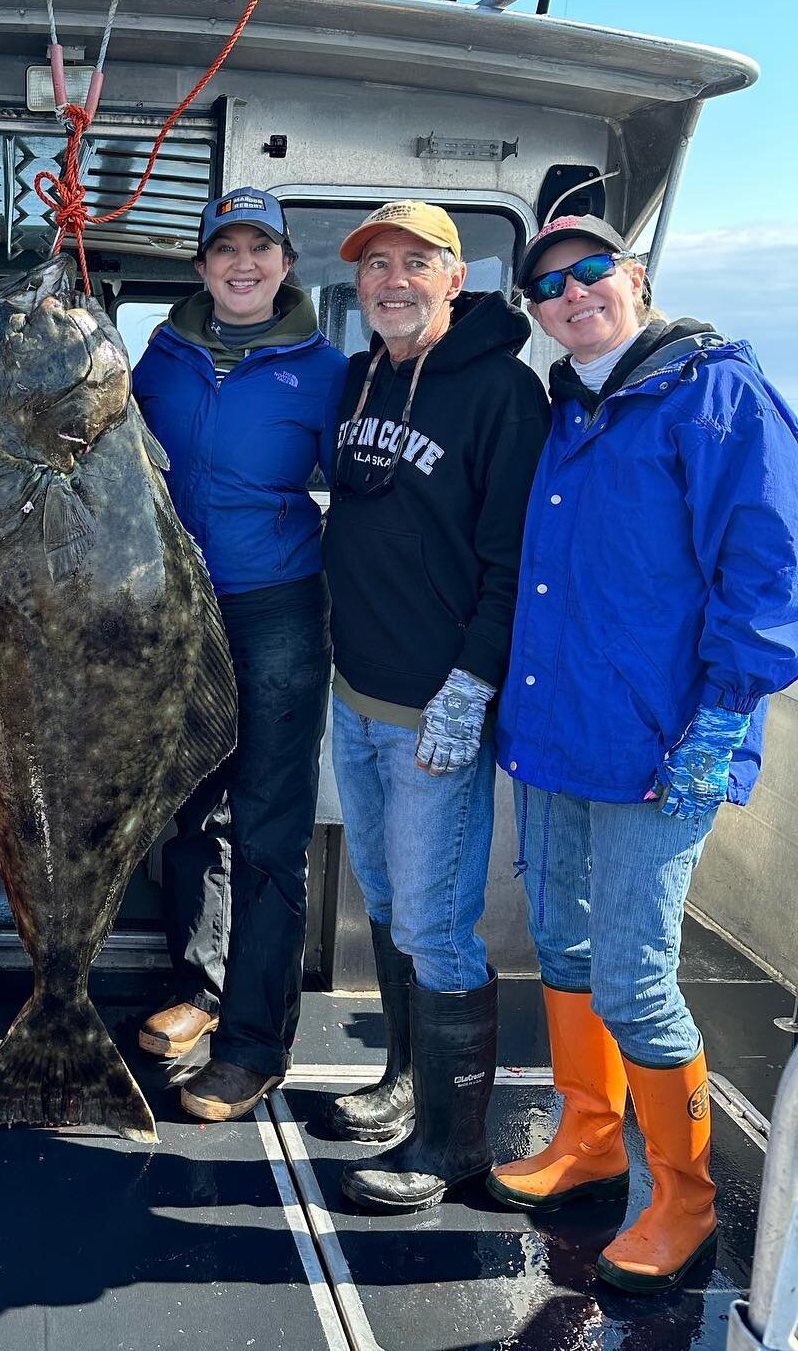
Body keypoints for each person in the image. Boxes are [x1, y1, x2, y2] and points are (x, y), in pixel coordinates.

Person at [489, 214, 798, 1293]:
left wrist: (723, 716)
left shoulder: (717, 393)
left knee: (634, 976)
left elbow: (769, 571)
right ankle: (588, 1135)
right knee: (564, 949)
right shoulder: (570, 405)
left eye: (590, 274)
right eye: (548, 288)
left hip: (661, 749)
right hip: (559, 730)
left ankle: (687, 1199)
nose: (572, 295)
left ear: (637, 276)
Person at [319, 199, 549, 1211]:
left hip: (435, 711)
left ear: (458, 276)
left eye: (418, 262)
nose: (394, 280)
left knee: (440, 925)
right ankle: (402, 1080)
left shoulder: (504, 392)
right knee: (388, 901)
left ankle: (450, 1142)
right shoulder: (360, 374)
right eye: (377, 265)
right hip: (356, 695)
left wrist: (471, 685)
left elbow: (514, 561)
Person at [131, 187, 347, 1121]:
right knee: (186, 808)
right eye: (227, 250)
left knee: (267, 828)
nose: (243, 265)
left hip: (278, 611)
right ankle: (202, 989)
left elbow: (365, 498)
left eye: (262, 249)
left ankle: (256, 1043)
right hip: (173, 610)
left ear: (287, 265)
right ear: (202, 266)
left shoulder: (329, 371)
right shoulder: (156, 361)